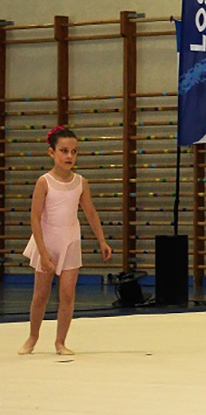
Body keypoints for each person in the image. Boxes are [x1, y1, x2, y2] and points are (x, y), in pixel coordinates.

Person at [19, 126, 112, 356]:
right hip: (47, 241)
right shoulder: (44, 182)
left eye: (74, 151)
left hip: (70, 241)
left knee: (68, 295)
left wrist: (102, 241)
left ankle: (60, 342)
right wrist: (42, 251)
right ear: (52, 153)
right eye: (64, 151)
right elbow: (35, 217)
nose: (69, 156)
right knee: (40, 295)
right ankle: (33, 336)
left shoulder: (80, 182)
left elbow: (90, 213)